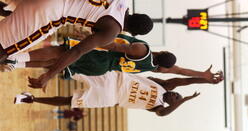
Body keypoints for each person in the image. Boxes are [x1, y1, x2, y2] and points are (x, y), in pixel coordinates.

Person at [0, 0, 153, 84]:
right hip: (51, 11)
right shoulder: (112, 30)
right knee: (5, 48)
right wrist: (50, 74)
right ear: (134, 33)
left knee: (8, 10)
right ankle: (13, 60)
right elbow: (76, 51)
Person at [1, 34, 221, 85]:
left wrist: (88, 39)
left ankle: (14, 57)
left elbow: (113, 45)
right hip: (101, 69)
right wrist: (203, 76)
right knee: (56, 63)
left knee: (59, 54)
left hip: (100, 55)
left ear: (162, 53)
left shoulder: (142, 49)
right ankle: (16, 63)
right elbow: (180, 71)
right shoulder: (156, 68)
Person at [15, 70, 223, 117]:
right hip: (115, 79)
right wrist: (206, 79)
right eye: (177, 95)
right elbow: (185, 80)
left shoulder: (158, 108)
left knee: (71, 102)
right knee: (73, 68)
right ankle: (39, 68)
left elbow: (164, 114)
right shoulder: (165, 86)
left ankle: (30, 98)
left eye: (176, 100)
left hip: (112, 98)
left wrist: (185, 101)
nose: (175, 97)